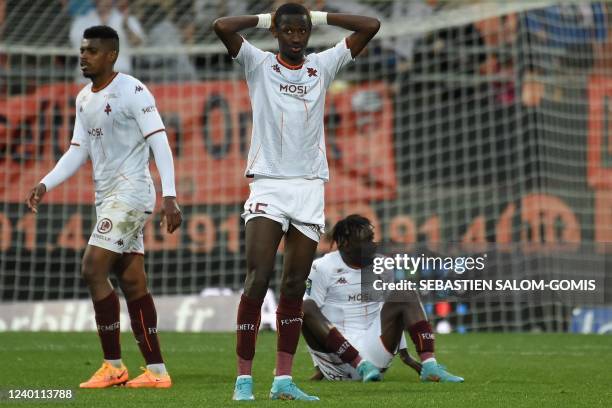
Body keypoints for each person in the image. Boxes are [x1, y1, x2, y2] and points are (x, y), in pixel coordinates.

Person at [213, 2, 380, 401]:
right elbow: (222, 26)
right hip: (269, 185)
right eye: (287, 31)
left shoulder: (322, 66)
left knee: (293, 287)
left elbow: (370, 25)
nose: (295, 37)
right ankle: (243, 380)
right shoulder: (258, 64)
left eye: (301, 31)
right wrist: (263, 18)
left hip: (309, 188)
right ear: (276, 33)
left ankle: (283, 381)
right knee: (258, 278)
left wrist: (318, 17)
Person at [26, 25, 182, 389]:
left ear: (111, 55)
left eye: (92, 51)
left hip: (131, 195)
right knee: (131, 280)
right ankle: (156, 371)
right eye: (82, 50)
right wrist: (46, 182)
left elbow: (160, 142)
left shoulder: (133, 90)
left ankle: (113, 365)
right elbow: (77, 150)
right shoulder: (83, 98)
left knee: (92, 268)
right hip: (106, 197)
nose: (83, 56)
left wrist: (170, 196)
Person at [302, 214, 464, 383]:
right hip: (339, 362)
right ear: (345, 244)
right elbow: (311, 320)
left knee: (404, 291)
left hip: (374, 355)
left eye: (371, 239)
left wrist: (406, 357)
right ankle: (359, 364)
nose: (372, 245)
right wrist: (319, 367)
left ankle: (430, 367)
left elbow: (392, 314)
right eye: (365, 241)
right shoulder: (322, 268)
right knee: (305, 305)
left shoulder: (382, 266)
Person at [70, 0, 145, 75]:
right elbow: (77, 45)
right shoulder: (82, 21)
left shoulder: (127, 19)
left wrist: (126, 27)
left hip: (119, 71)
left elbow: (138, 44)